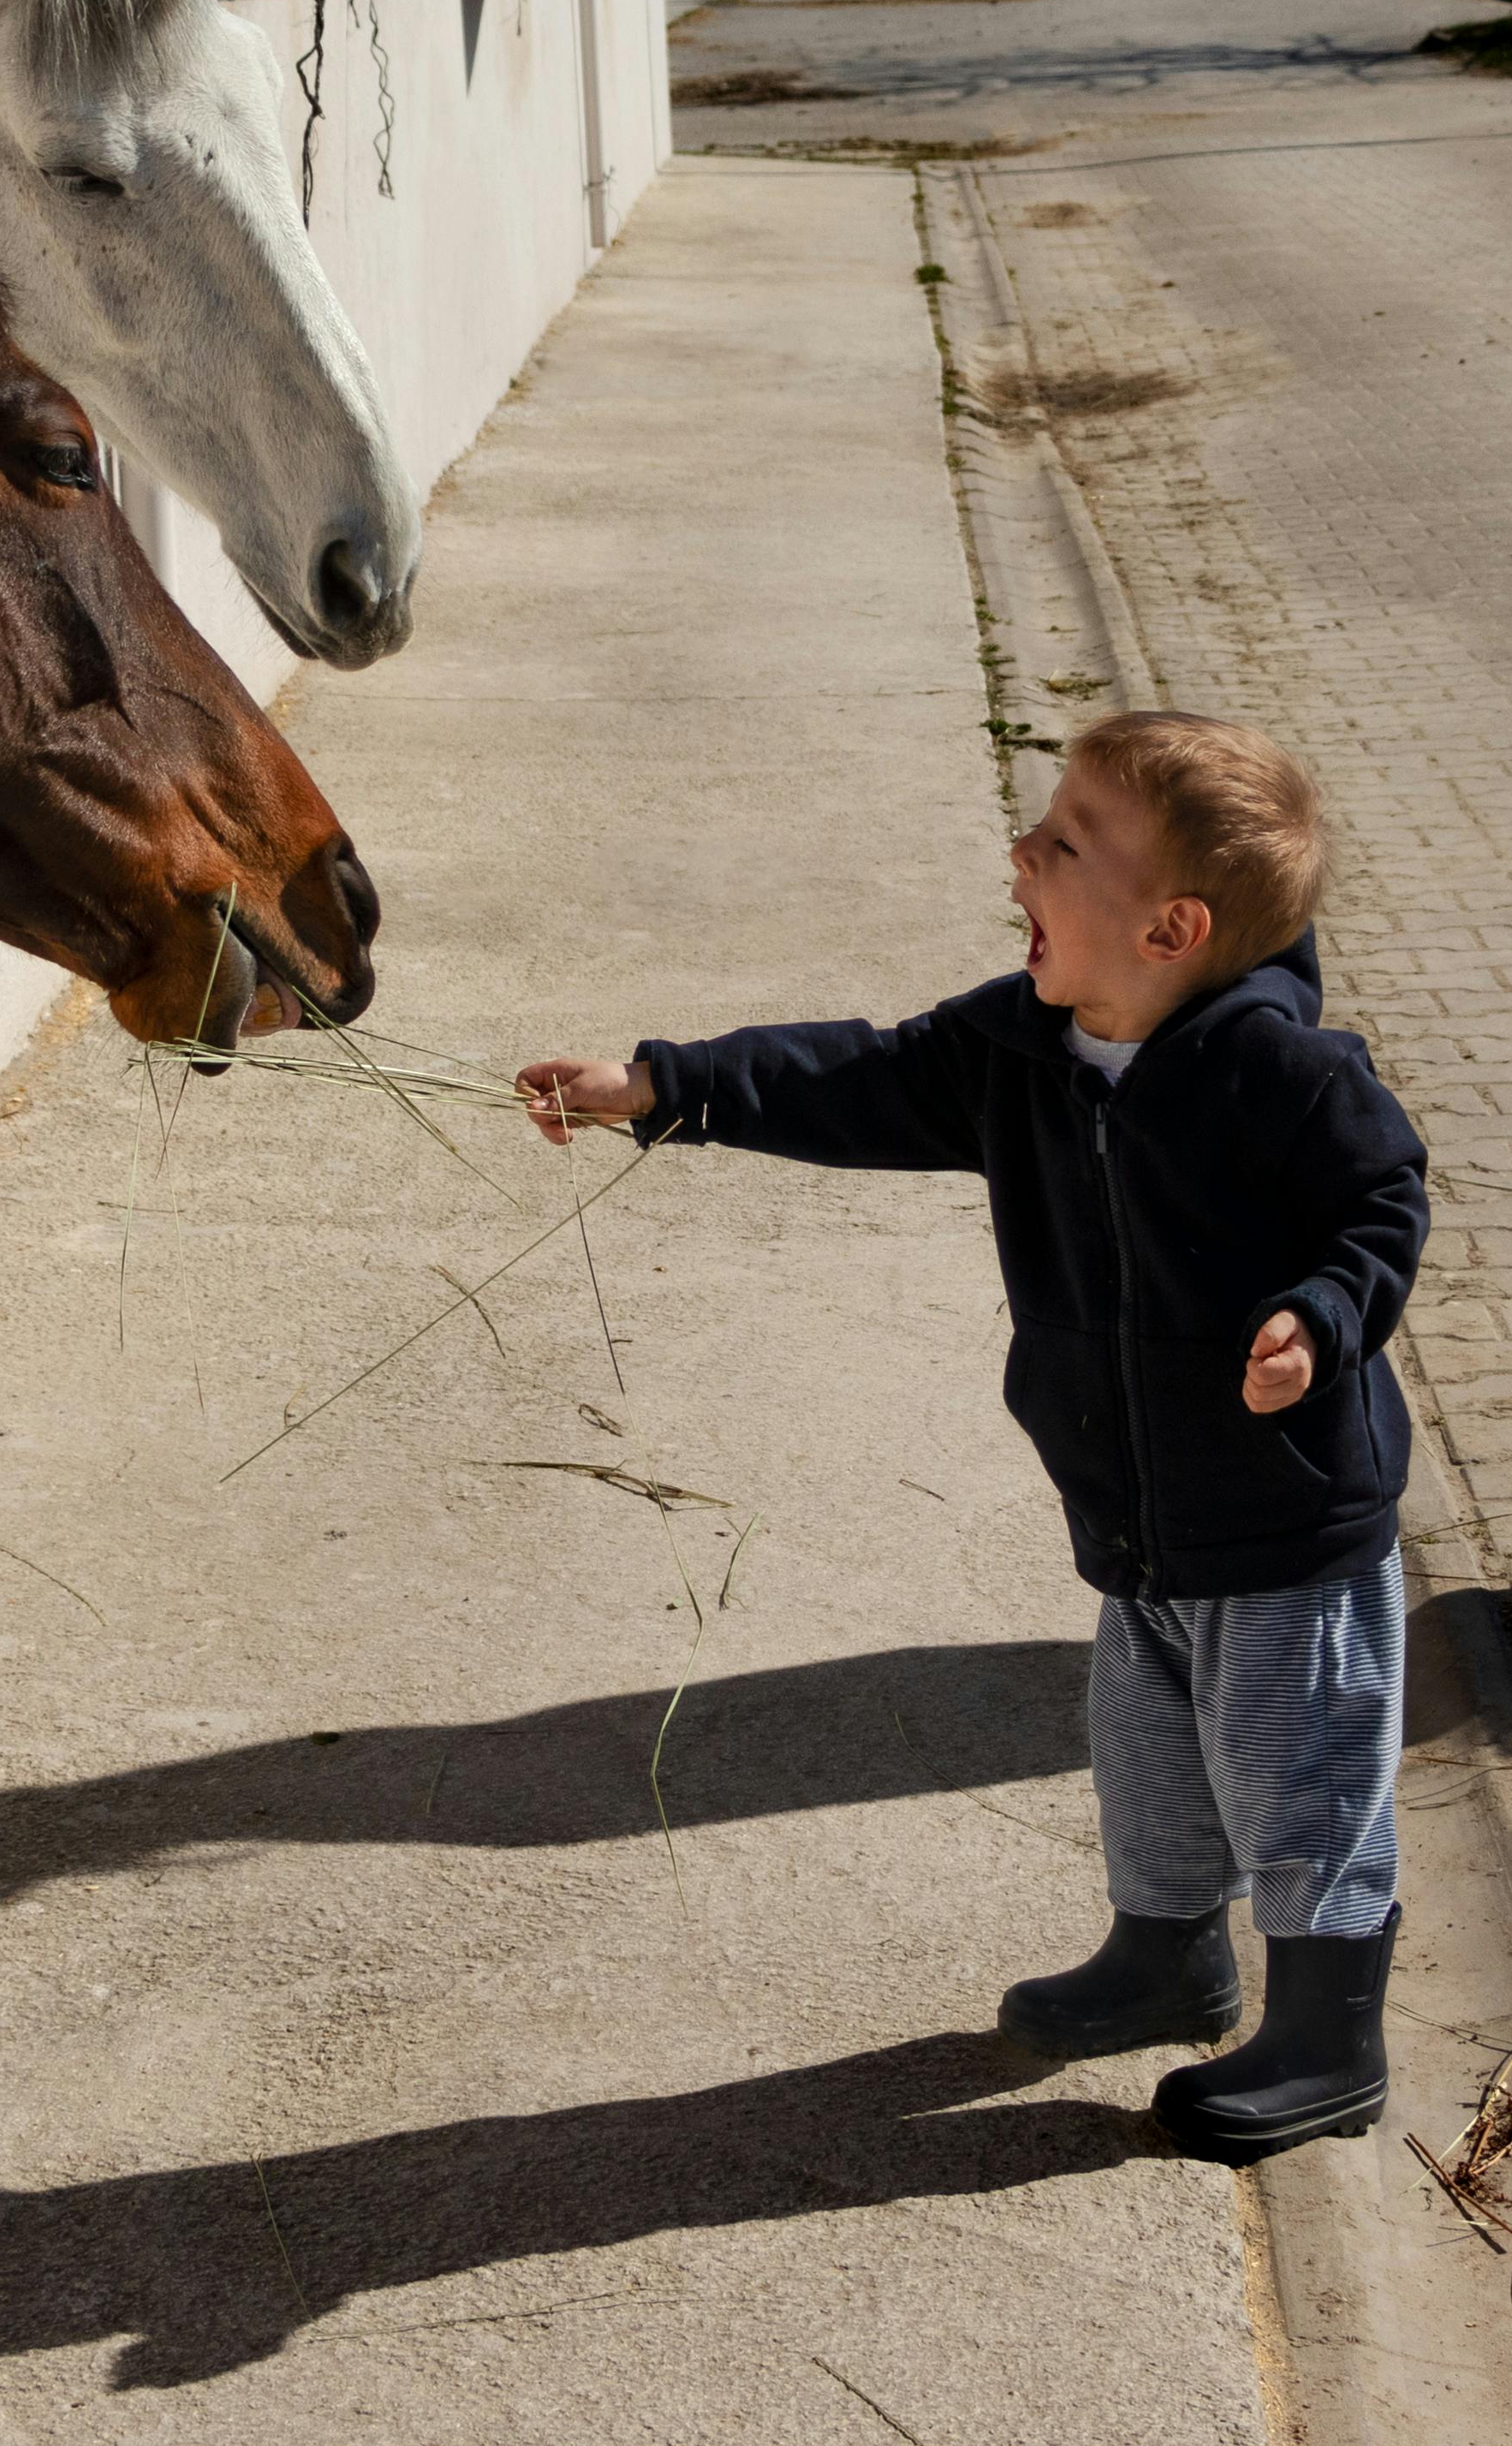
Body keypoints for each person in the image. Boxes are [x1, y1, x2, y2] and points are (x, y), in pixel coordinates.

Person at [515, 713, 1428, 2168]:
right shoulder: (1021, 1050)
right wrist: (662, 1086)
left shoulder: (1288, 1080)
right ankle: (1168, 1956)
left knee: (1297, 1779)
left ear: (1170, 926)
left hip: (1287, 1535)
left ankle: (1330, 2036)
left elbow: (1385, 1207)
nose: (1022, 849)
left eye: (1065, 840)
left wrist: (1324, 1316)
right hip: (1136, 1523)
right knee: (1150, 1762)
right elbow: (849, 1077)